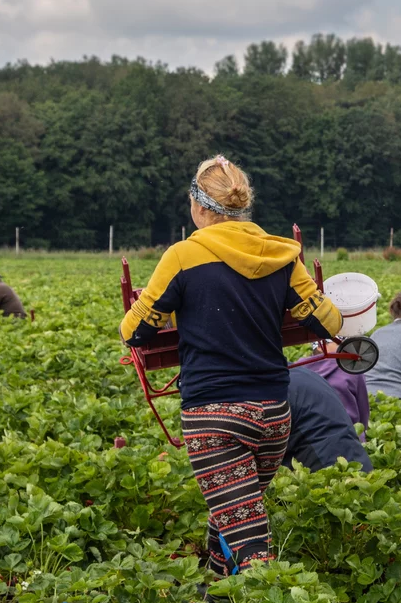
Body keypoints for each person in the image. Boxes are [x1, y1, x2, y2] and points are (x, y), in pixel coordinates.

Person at [118, 155, 342, 578]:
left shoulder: (183, 256)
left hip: (214, 416)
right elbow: (328, 323)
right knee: (230, 513)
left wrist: (159, 304)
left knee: (251, 541)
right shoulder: (281, 254)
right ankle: (219, 601)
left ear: (200, 207)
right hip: (274, 415)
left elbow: (135, 332)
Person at [283, 367, 373, 472]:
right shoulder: (306, 373)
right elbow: (363, 418)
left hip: (322, 472)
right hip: (358, 464)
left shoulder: (274, 386)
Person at [309, 341, 372, 440]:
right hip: (351, 437)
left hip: (312, 439)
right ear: (321, 346)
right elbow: (363, 412)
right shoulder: (352, 368)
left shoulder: (297, 368)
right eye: (339, 342)